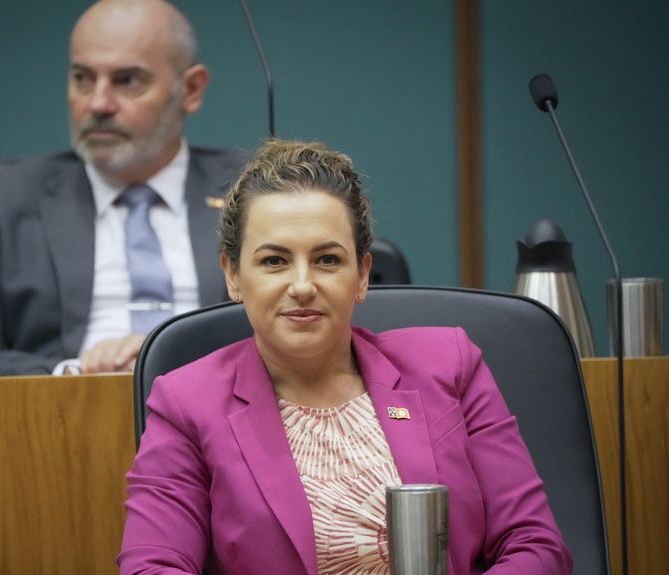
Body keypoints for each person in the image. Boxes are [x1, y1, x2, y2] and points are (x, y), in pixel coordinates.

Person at [118, 140, 573, 574]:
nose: (301, 285)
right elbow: (151, 566)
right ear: (233, 276)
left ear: (362, 275)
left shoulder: (449, 365)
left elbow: (535, 546)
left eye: (328, 260)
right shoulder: (186, 403)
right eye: (274, 261)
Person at [0, 0, 247, 377]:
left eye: (128, 81)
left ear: (190, 89)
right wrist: (75, 374)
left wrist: (174, 361)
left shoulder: (256, 192)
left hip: (225, 421)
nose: (98, 103)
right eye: (82, 78)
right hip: (56, 424)